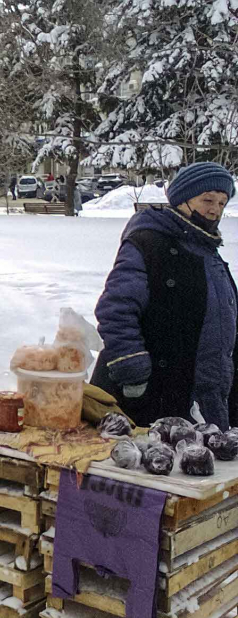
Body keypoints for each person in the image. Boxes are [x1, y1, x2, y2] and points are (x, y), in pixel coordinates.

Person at [91, 162, 237, 430]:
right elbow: (116, 309)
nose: (215, 209)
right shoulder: (148, 242)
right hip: (151, 394)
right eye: (207, 199)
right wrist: (133, 371)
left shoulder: (208, 252)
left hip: (202, 395)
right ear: (183, 199)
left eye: (221, 202)